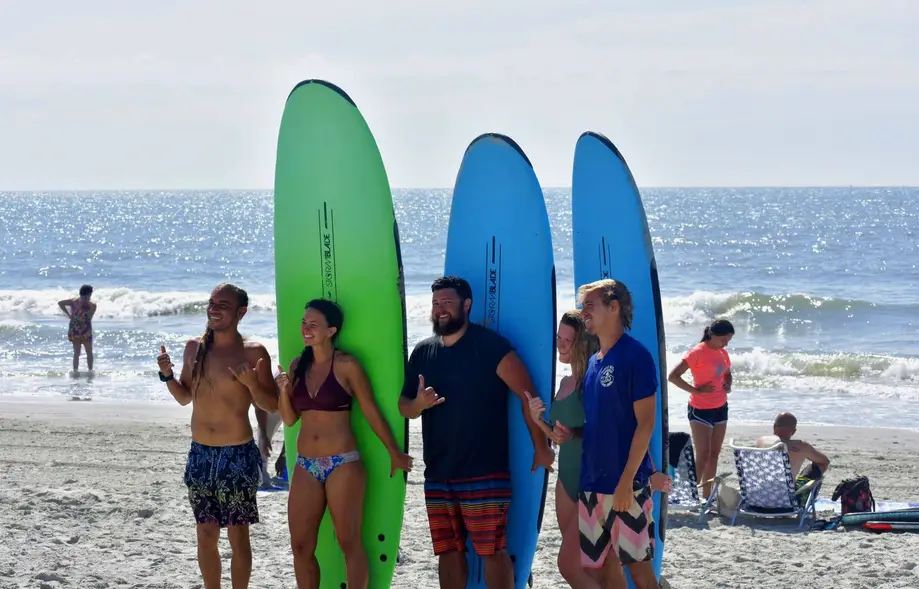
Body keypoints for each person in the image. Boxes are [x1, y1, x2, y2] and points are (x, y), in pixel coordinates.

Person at [399, 276, 555, 589]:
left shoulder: (490, 347)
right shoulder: (423, 352)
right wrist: (419, 403)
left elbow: (528, 396)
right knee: (448, 551)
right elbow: (404, 406)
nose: (440, 309)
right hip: (439, 472)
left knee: (492, 551)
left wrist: (541, 445)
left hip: (484, 472)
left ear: (466, 305)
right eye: (435, 304)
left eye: (447, 302)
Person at [526, 313, 672, 589]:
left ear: (584, 343)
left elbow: (625, 428)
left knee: (568, 565)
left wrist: (650, 472)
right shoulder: (565, 383)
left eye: (569, 340)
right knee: (600, 565)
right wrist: (540, 424)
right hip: (566, 482)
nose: (561, 344)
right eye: (559, 337)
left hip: (592, 482)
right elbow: (563, 437)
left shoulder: (595, 382)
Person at [275, 298, 413, 589]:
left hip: (343, 462)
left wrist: (393, 451)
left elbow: (370, 409)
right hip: (305, 464)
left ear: (331, 330)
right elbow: (289, 420)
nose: (306, 328)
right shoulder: (298, 365)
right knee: (300, 546)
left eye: (314, 324)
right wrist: (284, 392)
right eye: (304, 323)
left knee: (348, 541)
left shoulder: (347, 364)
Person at [155, 283, 279, 589]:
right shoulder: (193, 348)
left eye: (223, 304)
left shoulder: (253, 352)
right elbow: (184, 397)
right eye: (212, 302)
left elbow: (271, 404)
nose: (214, 308)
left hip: (236, 454)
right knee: (205, 533)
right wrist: (167, 375)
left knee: (238, 534)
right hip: (200, 453)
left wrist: (251, 383)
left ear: (241, 312)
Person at [562, 279, 661, 589]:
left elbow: (645, 424)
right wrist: (571, 432)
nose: (583, 312)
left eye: (589, 305)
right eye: (582, 306)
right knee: (601, 570)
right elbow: (603, 422)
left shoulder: (635, 356)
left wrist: (625, 483)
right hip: (592, 486)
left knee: (641, 574)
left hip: (625, 487)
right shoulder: (594, 362)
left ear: (614, 306)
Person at [667, 319, 734, 500]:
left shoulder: (722, 352)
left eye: (729, 340)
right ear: (712, 335)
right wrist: (696, 390)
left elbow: (727, 372)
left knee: (714, 454)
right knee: (703, 454)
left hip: (721, 407)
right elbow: (673, 376)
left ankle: (707, 497)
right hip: (700, 409)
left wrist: (728, 383)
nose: (726, 344)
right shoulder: (697, 352)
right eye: (724, 339)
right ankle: (690, 494)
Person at [756, 412, 830, 485]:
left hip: (758, 493)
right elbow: (825, 461)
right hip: (786, 495)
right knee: (816, 466)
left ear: (774, 426)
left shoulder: (761, 441)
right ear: (794, 431)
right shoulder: (802, 446)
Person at [58, 284, 97, 372]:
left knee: (89, 352)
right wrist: (68, 314)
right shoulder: (73, 301)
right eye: (84, 297)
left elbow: (89, 317)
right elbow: (60, 303)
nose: (86, 299)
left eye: (88, 296)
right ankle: (75, 372)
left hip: (86, 329)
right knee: (77, 353)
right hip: (75, 329)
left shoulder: (92, 305)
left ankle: (90, 371)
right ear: (80, 295)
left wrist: (89, 307)